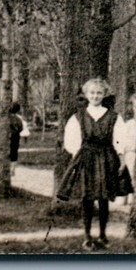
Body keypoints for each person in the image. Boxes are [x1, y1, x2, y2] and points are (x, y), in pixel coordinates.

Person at [55, 77, 125, 249]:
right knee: (87, 197)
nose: (95, 96)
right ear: (86, 94)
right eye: (92, 93)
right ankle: (86, 235)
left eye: (99, 93)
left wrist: (121, 158)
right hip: (86, 158)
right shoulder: (78, 117)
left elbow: (119, 139)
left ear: (104, 94)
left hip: (106, 157)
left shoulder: (113, 117)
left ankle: (102, 235)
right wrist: (77, 157)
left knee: (103, 197)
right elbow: (71, 140)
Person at [112, 94, 136, 206]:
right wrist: (122, 158)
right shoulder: (129, 124)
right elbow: (122, 143)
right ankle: (126, 196)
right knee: (129, 173)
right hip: (131, 154)